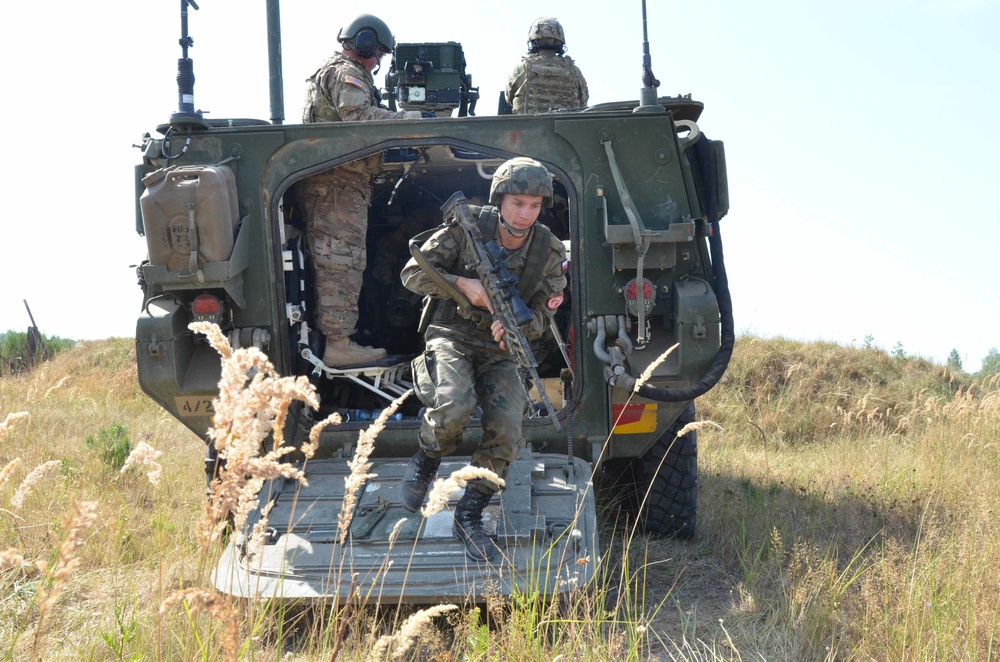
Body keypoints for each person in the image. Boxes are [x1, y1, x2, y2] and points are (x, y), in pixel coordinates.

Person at [398, 157, 568, 562]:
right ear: (500, 200)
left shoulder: (548, 249)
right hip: (451, 334)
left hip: (501, 348)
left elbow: (547, 312)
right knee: (455, 404)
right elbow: (411, 273)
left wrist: (516, 329)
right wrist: (464, 285)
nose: (526, 214)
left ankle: (470, 512)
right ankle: (427, 459)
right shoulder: (467, 227)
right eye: (518, 203)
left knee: (509, 427)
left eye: (534, 205)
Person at [297, 13, 423, 367]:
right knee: (341, 264)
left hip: (338, 186)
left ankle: (341, 339)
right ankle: (339, 344)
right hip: (335, 187)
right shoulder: (345, 72)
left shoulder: (341, 72)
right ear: (363, 43)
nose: (378, 60)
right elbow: (359, 118)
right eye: (377, 53)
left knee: (345, 261)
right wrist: (407, 121)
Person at [504, 17, 589, 114]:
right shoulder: (575, 72)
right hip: (565, 129)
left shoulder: (521, 68)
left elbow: (509, 97)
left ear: (533, 39)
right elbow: (583, 104)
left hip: (527, 128)